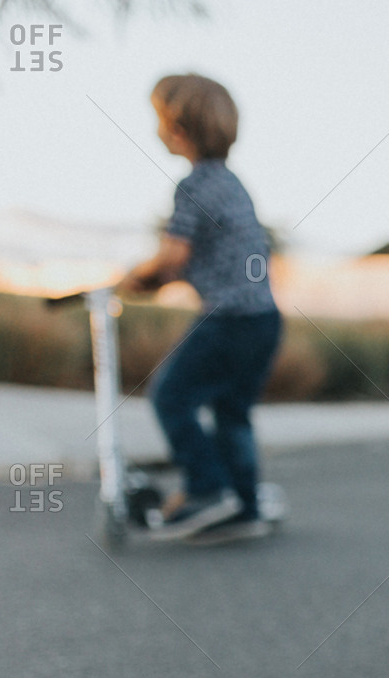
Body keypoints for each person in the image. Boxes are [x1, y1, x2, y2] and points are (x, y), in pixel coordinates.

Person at [117, 73, 281, 544]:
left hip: (228, 318)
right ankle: (244, 507)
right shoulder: (233, 183)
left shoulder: (193, 185)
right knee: (232, 412)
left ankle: (208, 491)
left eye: (160, 121)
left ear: (179, 130)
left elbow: (173, 257)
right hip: (263, 320)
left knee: (171, 396)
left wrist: (137, 278)